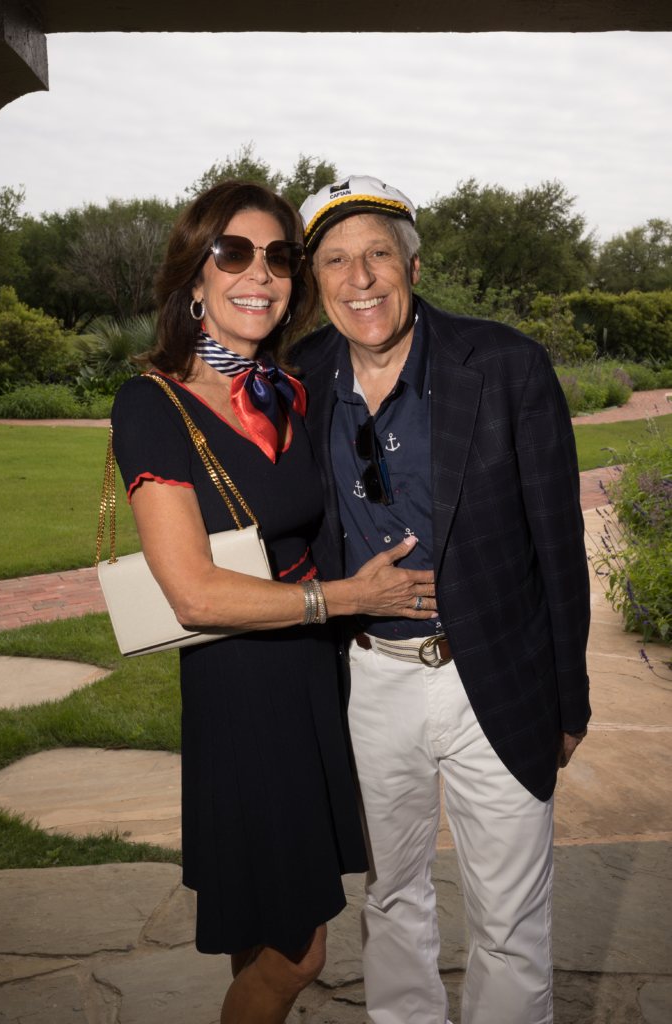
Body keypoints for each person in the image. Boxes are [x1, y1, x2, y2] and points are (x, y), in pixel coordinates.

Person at [110, 180, 438, 1024]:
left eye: (279, 256)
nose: (260, 274)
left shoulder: (286, 390)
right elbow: (191, 591)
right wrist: (347, 597)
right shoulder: (152, 402)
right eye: (233, 253)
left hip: (312, 684)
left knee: (259, 933)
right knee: (299, 952)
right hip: (243, 693)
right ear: (194, 277)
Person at [292, 175, 591, 1024]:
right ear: (315, 282)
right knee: (390, 899)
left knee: (508, 922)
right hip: (367, 682)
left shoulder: (503, 365)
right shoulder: (299, 374)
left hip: (489, 674)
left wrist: (568, 699)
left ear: (412, 266)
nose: (360, 279)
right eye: (337, 261)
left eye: (378, 255)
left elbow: (556, 547)